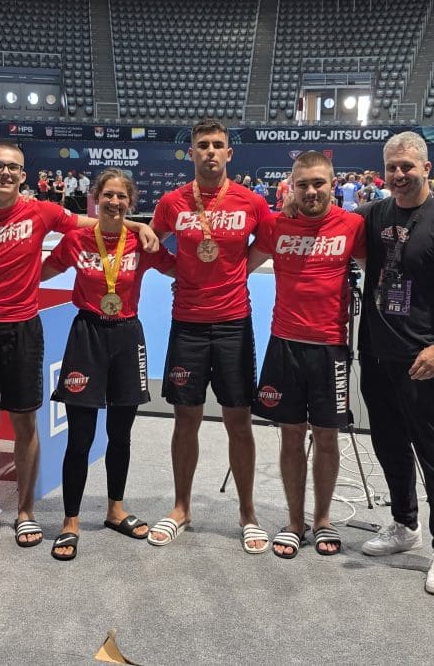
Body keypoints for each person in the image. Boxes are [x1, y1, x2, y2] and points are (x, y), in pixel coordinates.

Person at [0, 143, 158, 550]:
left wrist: (137, 225)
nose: (5, 173)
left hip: (25, 326)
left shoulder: (41, 211)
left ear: (23, 176)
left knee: (26, 422)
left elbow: (94, 219)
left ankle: (25, 512)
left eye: (13, 167)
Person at [356, 131, 434, 596]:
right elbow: (324, 222)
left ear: (426, 168)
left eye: (407, 166)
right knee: (389, 445)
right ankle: (404, 524)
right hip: (376, 354)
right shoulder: (372, 214)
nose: (399, 174)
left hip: (423, 358)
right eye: (392, 167)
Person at [147, 120, 273, 553]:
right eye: (203, 145)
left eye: (218, 145)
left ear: (229, 154)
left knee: (239, 420)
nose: (211, 152)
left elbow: (267, 242)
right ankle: (181, 508)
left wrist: (239, 271)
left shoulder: (251, 201)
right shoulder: (172, 202)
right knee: (186, 418)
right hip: (187, 324)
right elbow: (150, 243)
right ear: (192, 153)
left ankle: (248, 513)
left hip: (234, 323)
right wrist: (176, 269)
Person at [40, 169, 176, 561]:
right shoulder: (77, 240)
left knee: (121, 433)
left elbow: (180, 268)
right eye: (108, 195)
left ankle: (115, 508)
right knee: (80, 436)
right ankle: (70, 520)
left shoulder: (142, 242)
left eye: (121, 197)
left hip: (128, 336)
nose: (114, 202)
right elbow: (39, 272)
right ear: (95, 199)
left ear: (130, 202)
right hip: (87, 336)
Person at [246, 151, 365, 559]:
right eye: (303, 184)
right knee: (291, 434)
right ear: (291, 187)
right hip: (285, 344)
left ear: (333, 184)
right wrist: (192, 285)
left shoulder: (352, 226)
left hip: (330, 348)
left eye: (318, 183)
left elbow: (381, 276)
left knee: (328, 436)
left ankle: (323, 519)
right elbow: (236, 268)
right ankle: (295, 521)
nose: (311, 191)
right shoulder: (275, 226)